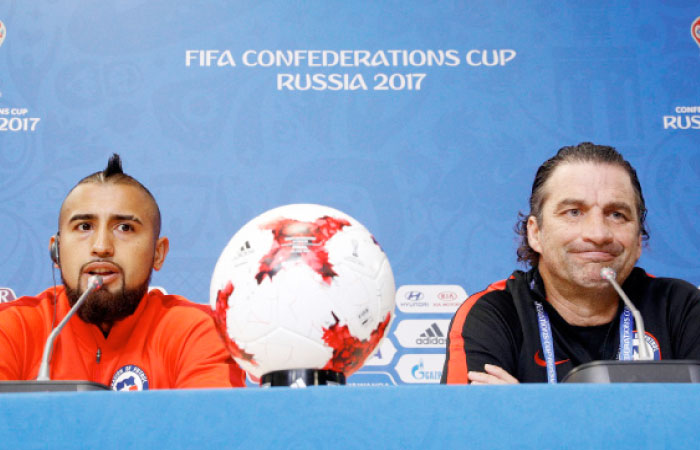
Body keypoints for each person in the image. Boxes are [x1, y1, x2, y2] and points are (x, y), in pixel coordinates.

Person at [442, 142, 700, 384]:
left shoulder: (682, 308)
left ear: (638, 239)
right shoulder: (494, 313)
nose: (598, 234)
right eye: (574, 212)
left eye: (617, 215)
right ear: (535, 233)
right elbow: (470, 425)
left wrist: (522, 410)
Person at [0, 154, 246, 390]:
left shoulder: (198, 330)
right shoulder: (13, 327)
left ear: (158, 253)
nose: (101, 247)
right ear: (57, 250)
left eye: (125, 228)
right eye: (84, 226)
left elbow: (211, 429)